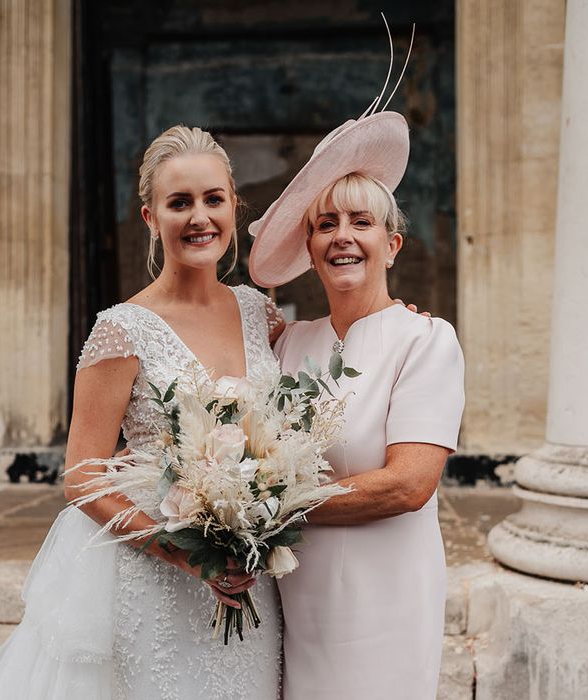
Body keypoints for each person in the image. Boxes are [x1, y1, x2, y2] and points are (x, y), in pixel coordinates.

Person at [0, 126, 282, 699]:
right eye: (179, 203)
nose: (199, 217)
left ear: (234, 207)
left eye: (214, 199)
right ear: (150, 217)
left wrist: (390, 317)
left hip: (250, 579)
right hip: (159, 581)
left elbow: (293, 414)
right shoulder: (122, 329)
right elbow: (82, 477)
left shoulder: (258, 311)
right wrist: (190, 558)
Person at [249, 109, 465, 699]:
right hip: (297, 594)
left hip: (388, 595)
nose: (342, 235)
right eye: (325, 224)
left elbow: (408, 485)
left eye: (361, 222)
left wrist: (260, 511)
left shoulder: (425, 341)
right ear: (311, 249)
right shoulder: (289, 342)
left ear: (391, 245)